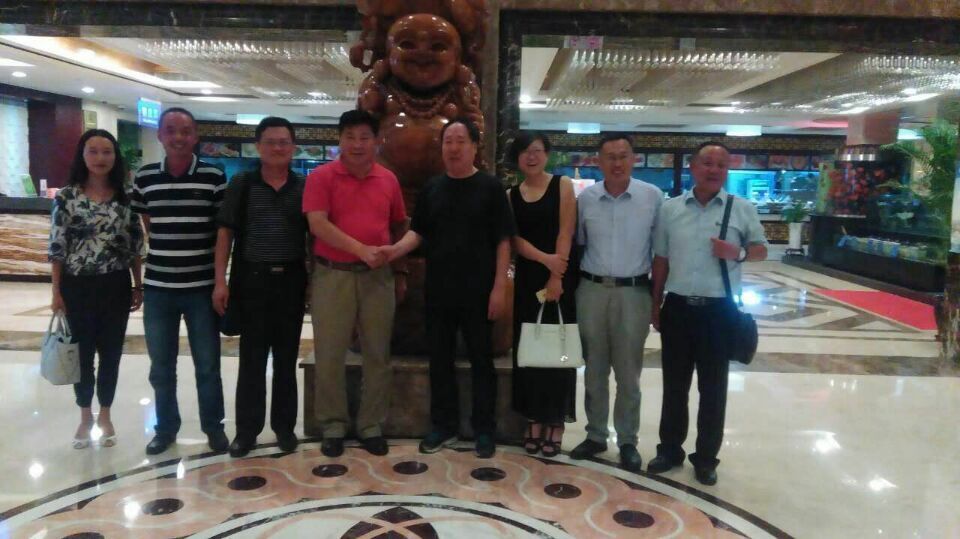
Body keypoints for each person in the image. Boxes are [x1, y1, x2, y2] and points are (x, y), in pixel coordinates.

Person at [380, 117, 513, 458]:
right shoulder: (433, 188)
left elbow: (503, 240)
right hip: (438, 289)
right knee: (440, 360)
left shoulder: (491, 188)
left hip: (479, 290)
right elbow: (418, 232)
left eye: (460, 140)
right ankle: (443, 425)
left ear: (474, 146)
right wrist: (394, 251)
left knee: (481, 360)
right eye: (448, 141)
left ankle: (484, 429)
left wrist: (499, 287)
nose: (453, 147)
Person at [648, 141, 767, 486]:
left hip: (719, 312)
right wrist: (655, 303)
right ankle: (669, 450)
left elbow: (761, 249)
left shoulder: (741, 208)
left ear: (727, 170)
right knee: (674, 386)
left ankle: (705, 458)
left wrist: (737, 253)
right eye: (707, 163)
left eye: (721, 164)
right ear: (693, 167)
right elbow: (661, 260)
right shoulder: (670, 209)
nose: (714, 170)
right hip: (678, 308)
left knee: (713, 389)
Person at [303, 110, 408, 457]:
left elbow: (398, 226)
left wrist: (400, 270)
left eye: (365, 137)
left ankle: (371, 424)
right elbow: (318, 224)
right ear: (340, 140)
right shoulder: (321, 177)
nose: (357, 144)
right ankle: (333, 424)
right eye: (350, 136)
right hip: (332, 275)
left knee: (378, 353)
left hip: (378, 278)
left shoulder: (388, 180)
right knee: (330, 353)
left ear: (377, 141)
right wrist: (360, 249)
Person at [131, 107, 228, 455]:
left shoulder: (213, 176)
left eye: (185, 131)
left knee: (208, 365)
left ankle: (213, 428)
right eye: (170, 130)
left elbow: (222, 232)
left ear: (195, 136)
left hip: (201, 288)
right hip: (159, 289)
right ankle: (165, 428)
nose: (178, 137)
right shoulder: (145, 178)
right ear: (160, 135)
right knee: (161, 367)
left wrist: (220, 281)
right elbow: (147, 225)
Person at [213, 117, 308, 457]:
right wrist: (220, 281)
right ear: (258, 146)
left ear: (293, 147)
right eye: (270, 141)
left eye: (284, 142)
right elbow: (225, 232)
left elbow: (313, 236)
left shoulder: (303, 186)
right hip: (252, 281)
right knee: (251, 360)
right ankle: (247, 432)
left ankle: (284, 428)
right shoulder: (242, 183)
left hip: (291, 282)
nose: (278, 147)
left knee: (286, 359)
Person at [569, 133, 662, 473]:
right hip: (591, 290)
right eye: (610, 157)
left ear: (633, 159)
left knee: (628, 373)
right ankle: (595, 434)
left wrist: (657, 301)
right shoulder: (587, 199)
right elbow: (579, 243)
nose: (617, 163)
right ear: (599, 161)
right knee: (594, 369)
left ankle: (627, 440)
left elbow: (661, 252)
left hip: (634, 293)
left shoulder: (652, 197)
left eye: (623, 156)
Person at [49, 129, 145, 449]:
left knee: (111, 353)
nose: (100, 158)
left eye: (107, 151)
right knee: (82, 353)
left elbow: (134, 246)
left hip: (115, 285)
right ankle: (84, 415)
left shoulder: (125, 197)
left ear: (115, 157)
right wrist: (56, 292)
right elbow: (57, 247)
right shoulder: (67, 197)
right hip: (77, 286)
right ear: (82, 155)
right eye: (93, 151)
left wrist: (138, 285)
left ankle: (105, 413)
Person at [505, 132, 577, 457]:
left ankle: (556, 421)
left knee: (558, 350)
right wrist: (544, 259)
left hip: (559, 277)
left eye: (536, 151)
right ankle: (534, 418)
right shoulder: (511, 194)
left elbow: (566, 231)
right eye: (525, 152)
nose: (531, 157)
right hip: (528, 279)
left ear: (546, 154)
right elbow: (514, 239)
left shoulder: (562, 186)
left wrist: (555, 275)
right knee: (531, 350)